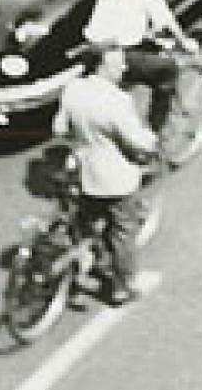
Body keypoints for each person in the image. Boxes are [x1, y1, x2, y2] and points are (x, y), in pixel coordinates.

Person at [53, 44, 155, 307]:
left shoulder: (73, 89)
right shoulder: (118, 101)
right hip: (114, 178)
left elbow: (59, 128)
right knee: (123, 230)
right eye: (118, 63)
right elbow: (136, 141)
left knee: (86, 219)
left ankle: (88, 260)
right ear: (103, 66)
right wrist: (151, 141)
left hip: (83, 171)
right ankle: (122, 286)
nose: (124, 67)